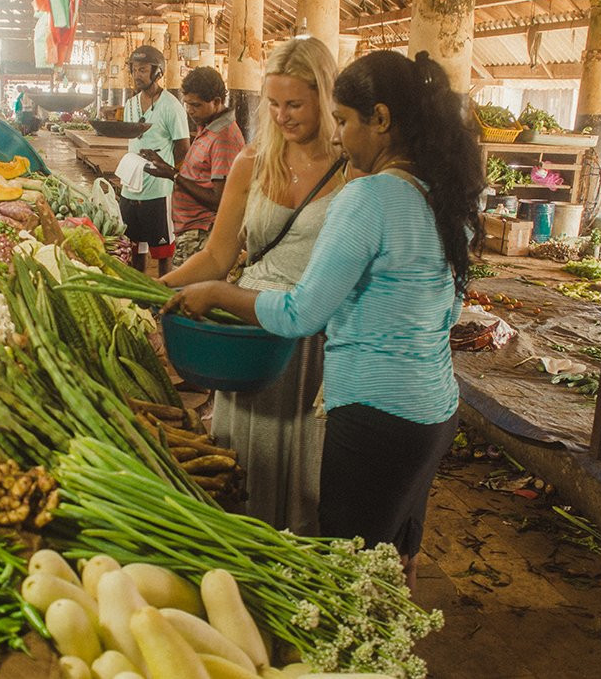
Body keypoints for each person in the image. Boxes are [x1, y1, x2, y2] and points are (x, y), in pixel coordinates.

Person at [166, 50, 485, 591]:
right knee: (395, 559)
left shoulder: (368, 194)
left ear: (380, 120)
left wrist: (219, 292)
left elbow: (303, 312)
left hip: (373, 410)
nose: (339, 137)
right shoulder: (440, 195)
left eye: (343, 120)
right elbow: (450, 308)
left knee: (346, 567)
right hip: (432, 411)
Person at [161, 37, 346, 535]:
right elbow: (218, 256)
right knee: (246, 464)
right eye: (273, 104)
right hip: (250, 331)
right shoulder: (252, 162)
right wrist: (161, 291)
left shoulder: (354, 169)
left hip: (317, 338)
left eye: (295, 104)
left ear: (325, 97)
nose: (282, 116)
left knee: (308, 467)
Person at [141, 66, 245, 268]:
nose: (190, 111)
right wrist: (165, 166)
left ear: (216, 102)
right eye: (187, 104)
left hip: (202, 234)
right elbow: (201, 176)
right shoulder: (207, 126)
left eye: (196, 105)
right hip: (189, 231)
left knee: (186, 295)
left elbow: (219, 200)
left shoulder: (223, 138)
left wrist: (174, 176)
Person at [121, 45, 190, 276]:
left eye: (143, 70)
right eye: (134, 70)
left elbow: (183, 149)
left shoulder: (171, 106)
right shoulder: (130, 104)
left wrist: (173, 178)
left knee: (163, 251)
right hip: (131, 188)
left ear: (157, 73)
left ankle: (164, 293)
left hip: (158, 191)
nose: (137, 75)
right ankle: (138, 296)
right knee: (134, 249)